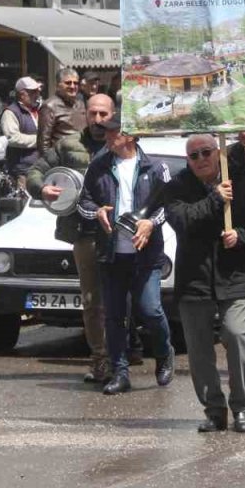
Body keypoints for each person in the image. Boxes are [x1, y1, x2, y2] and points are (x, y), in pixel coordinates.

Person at [163, 134, 245, 433]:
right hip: (194, 279)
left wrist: (242, 237)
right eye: (194, 155)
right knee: (199, 350)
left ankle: (241, 406)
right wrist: (215, 199)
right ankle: (214, 410)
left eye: (206, 152)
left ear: (217, 152)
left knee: (237, 335)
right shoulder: (177, 187)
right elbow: (183, 221)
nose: (201, 159)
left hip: (233, 276)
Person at [78, 119, 174, 395]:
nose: (108, 137)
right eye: (106, 133)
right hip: (112, 254)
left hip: (146, 255)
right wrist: (97, 212)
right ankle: (120, 372)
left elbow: (169, 204)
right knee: (114, 316)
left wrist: (150, 224)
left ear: (130, 136)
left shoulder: (155, 167)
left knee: (150, 309)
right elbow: (83, 203)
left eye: (114, 133)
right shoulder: (98, 166)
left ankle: (164, 352)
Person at [26, 93, 115, 382]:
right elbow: (35, 171)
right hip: (84, 233)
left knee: (124, 298)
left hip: (121, 234)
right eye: (93, 113)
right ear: (85, 114)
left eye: (103, 114)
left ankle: (125, 351)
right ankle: (101, 360)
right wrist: (42, 189)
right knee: (92, 301)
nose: (98, 119)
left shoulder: (123, 143)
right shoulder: (68, 145)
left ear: (113, 114)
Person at [0, 76, 42, 187]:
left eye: (37, 91)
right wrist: (40, 140)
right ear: (22, 94)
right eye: (33, 92)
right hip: (22, 172)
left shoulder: (39, 109)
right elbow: (12, 138)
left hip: (41, 169)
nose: (37, 94)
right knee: (24, 198)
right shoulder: (11, 112)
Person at [38, 68, 87, 153]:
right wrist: (49, 160)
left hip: (82, 155)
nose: (72, 86)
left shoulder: (81, 104)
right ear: (58, 85)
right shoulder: (49, 106)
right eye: (68, 83)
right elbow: (43, 144)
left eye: (75, 83)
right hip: (61, 157)